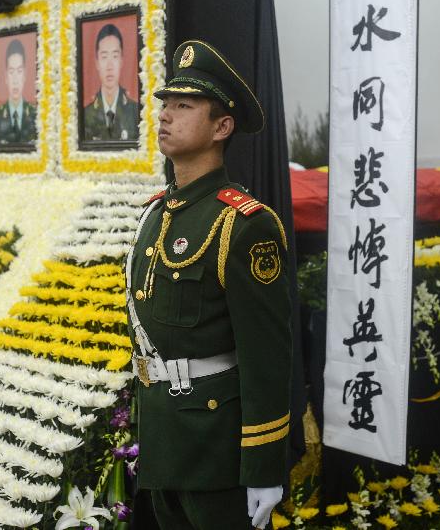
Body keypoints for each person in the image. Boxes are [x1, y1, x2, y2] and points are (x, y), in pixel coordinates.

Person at [126, 40, 290, 530]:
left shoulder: (243, 223)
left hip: (217, 450)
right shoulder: (158, 212)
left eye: (184, 106)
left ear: (222, 127)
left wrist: (263, 465)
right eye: (166, 104)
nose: (166, 116)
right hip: (164, 436)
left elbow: (267, 354)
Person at [81, 23, 139, 142]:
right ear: (97, 62)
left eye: (115, 56)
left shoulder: (135, 111)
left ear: (122, 60)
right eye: (104, 56)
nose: (109, 66)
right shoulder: (86, 114)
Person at [0, 39, 37, 145]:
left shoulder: (36, 115)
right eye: (11, 72)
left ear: (25, 75)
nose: (15, 80)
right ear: (6, 77)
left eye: (19, 71)